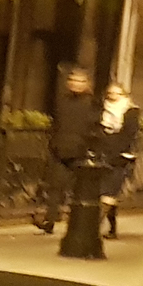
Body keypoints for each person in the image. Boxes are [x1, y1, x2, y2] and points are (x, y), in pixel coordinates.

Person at [49, 66, 108, 257]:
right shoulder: (62, 101)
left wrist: (88, 147)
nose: (76, 84)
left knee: (80, 192)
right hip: (61, 149)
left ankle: (79, 223)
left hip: (79, 152)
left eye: (80, 81)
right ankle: (50, 219)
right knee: (55, 185)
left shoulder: (91, 104)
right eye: (73, 80)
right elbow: (57, 123)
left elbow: (94, 127)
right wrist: (54, 144)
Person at [100, 81, 141, 238]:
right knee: (107, 193)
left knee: (110, 191)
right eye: (110, 93)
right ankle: (112, 228)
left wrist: (119, 149)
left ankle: (96, 226)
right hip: (104, 154)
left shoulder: (131, 112)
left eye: (116, 93)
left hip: (121, 157)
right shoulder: (102, 109)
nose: (112, 96)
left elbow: (130, 134)